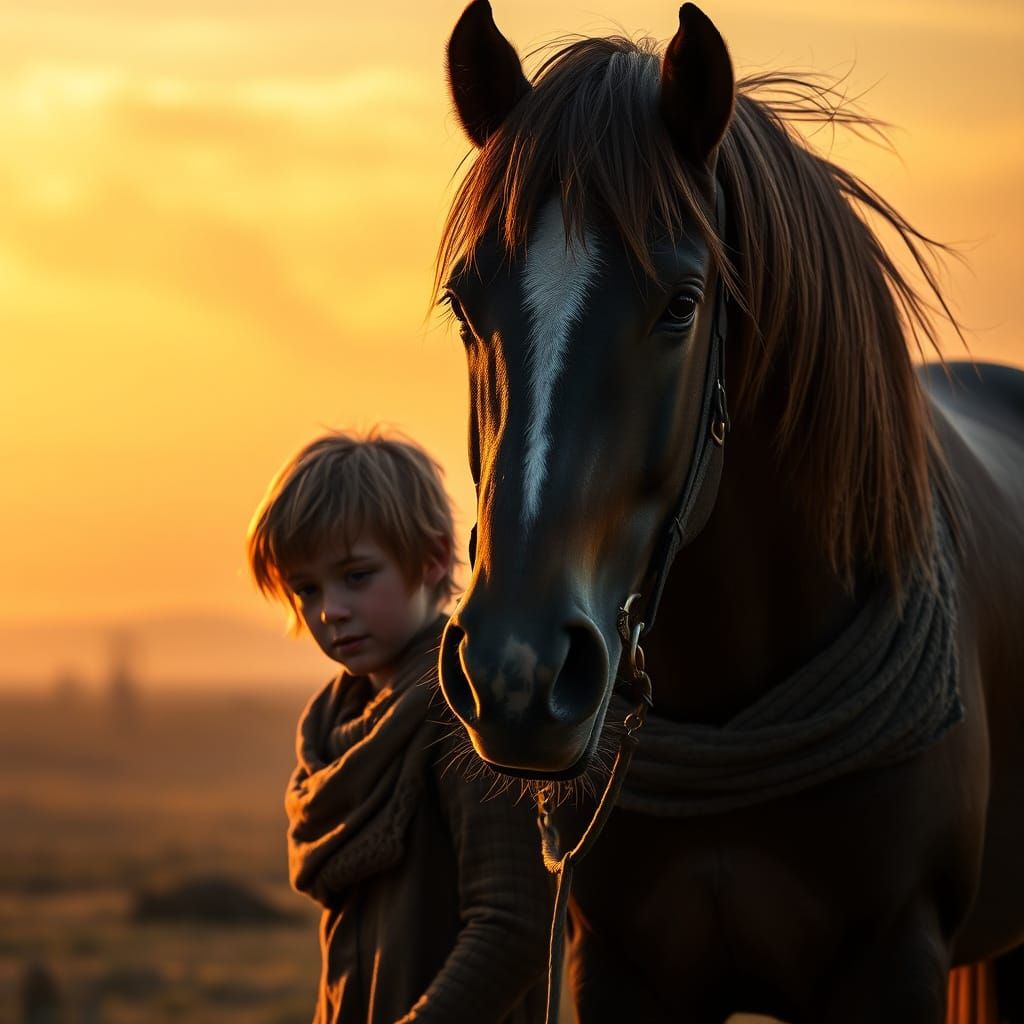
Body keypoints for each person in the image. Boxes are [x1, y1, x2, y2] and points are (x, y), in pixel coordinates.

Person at [247, 429, 550, 1024]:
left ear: (433, 559)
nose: (330, 609)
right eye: (306, 588)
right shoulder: (335, 731)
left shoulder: (467, 711)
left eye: (357, 575)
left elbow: (513, 926)